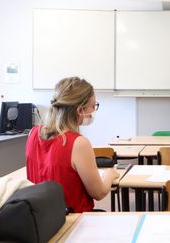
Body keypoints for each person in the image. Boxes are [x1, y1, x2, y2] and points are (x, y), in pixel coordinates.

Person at [26, 77, 119, 213]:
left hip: (40, 221)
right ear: (80, 110)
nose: (94, 110)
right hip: (72, 221)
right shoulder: (79, 143)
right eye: (93, 106)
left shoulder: (33, 134)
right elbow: (98, 193)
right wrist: (110, 174)